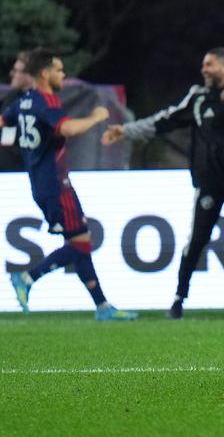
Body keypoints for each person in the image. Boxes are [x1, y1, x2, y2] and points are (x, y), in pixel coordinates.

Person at [102, 48, 224, 319]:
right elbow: (164, 120)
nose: (203, 69)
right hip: (209, 183)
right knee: (197, 241)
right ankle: (179, 299)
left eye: (209, 64)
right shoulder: (198, 97)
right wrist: (127, 131)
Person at [3, 48, 137, 321]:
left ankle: (102, 307)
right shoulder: (46, 101)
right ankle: (27, 277)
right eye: (59, 70)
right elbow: (68, 129)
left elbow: (3, 124)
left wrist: (24, 145)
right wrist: (98, 116)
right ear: (45, 73)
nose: (63, 75)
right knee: (80, 243)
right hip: (55, 183)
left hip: (43, 182)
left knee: (79, 239)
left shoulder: (25, 101)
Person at [0, 51, 33, 171]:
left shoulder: (40, 102)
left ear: (29, 75)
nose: (11, 74)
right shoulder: (12, 96)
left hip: (25, 169)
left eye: (16, 70)